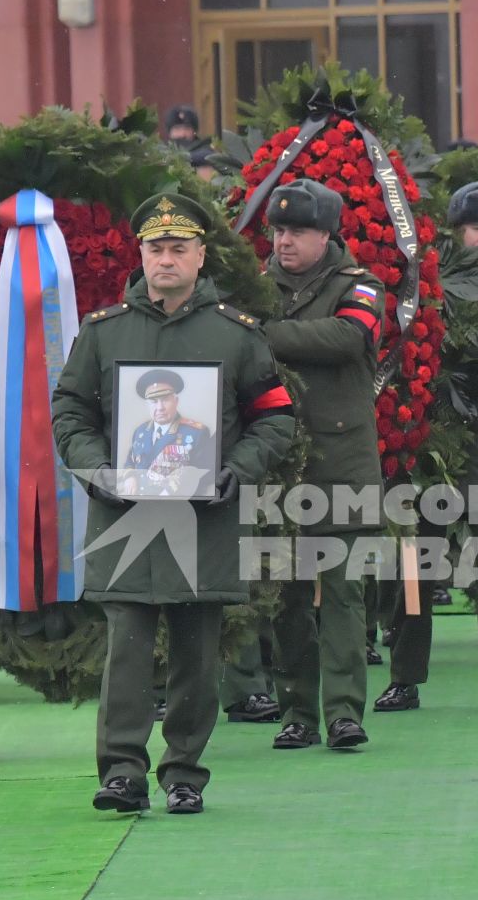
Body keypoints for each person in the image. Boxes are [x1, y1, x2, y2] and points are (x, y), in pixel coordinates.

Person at [53, 193, 297, 816]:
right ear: (141, 255)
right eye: (156, 248)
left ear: (200, 256)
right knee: (126, 653)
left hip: (205, 519)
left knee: (196, 657)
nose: (167, 259)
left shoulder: (236, 335)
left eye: (179, 249)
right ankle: (122, 774)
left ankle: (184, 771)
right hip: (124, 513)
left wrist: (234, 472)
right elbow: (70, 412)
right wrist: (95, 469)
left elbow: (275, 420)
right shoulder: (104, 332)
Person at [379, 181, 478, 715]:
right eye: (477, 228)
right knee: (416, 561)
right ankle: (404, 676)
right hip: (425, 437)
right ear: (457, 230)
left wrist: (439, 329)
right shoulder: (424, 278)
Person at [257, 178, 382, 751]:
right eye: (279, 230)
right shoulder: (256, 288)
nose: (285, 241)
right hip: (276, 466)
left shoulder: (361, 285)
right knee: (284, 597)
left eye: (298, 231)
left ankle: (344, 711)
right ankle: (298, 712)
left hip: (341, 462)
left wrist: (262, 333)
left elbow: (346, 337)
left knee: (342, 595)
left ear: (327, 234)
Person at [121, 369, 215, 498]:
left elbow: (200, 476)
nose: (160, 407)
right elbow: (130, 462)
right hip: (140, 502)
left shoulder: (196, 433)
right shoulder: (140, 431)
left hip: (175, 504)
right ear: (148, 405)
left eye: (165, 400)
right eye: (154, 402)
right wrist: (130, 477)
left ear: (176, 401)